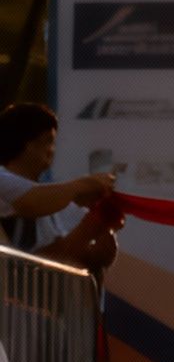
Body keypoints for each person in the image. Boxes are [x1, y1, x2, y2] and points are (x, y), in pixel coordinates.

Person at [0, 103, 121, 271]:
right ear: (26, 143)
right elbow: (33, 201)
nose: (52, 151)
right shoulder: (7, 182)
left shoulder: (53, 200)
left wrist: (97, 247)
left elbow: (53, 255)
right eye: (48, 141)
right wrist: (84, 188)